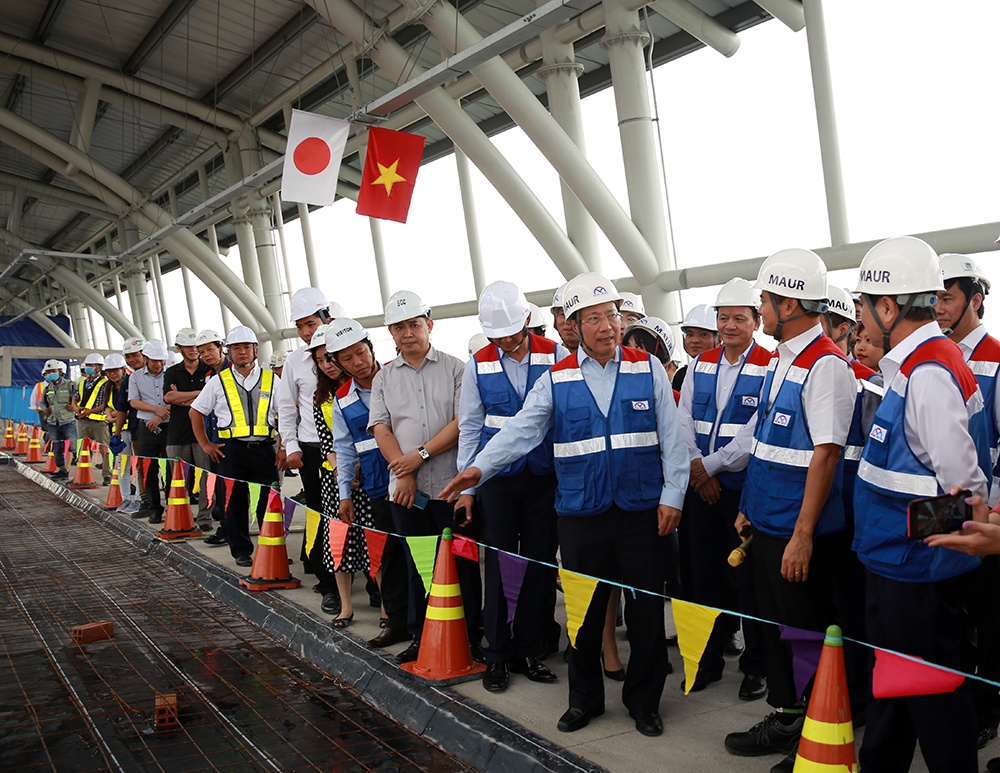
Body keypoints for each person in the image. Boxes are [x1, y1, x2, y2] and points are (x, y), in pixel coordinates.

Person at [441, 272, 688, 739]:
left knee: (645, 614)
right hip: (580, 513)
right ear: (573, 325)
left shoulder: (647, 368)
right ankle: (585, 702)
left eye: (612, 315)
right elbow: (521, 429)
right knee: (585, 613)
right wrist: (479, 468)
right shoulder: (557, 378)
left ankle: (644, 703)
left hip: (641, 511)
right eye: (594, 318)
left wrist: (672, 496)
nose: (607, 326)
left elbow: (672, 440)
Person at [853, 236, 989, 773]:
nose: (859, 318)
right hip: (895, 565)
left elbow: (966, 491)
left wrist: (911, 532)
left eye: (864, 306)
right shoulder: (914, 365)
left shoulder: (928, 374)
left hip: (915, 574)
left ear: (888, 307)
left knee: (935, 701)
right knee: (893, 692)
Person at [724, 249, 854, 773]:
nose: (759, 308)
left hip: (801, 534)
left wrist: (802, 536)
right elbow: (768, 445)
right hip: (769, 523)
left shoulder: (826, 365)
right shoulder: (784, 358)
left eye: (764, 301)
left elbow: (826, 455)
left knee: (805, 634)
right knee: (780, 629)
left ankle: (813, 737)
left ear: (790, 302)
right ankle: (786, 719)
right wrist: (749, 508)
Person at [458, 281, 564, 693]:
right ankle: (498, 654)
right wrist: (468, 486)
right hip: (497, 481)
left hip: (544, 477)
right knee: (500, 564)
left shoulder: (557, 355)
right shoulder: (478, 364)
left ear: (526, 320)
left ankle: (529, 649)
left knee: (539, 563)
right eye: (495, 334)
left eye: (511, 331)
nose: (504, 340)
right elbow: (469, 427)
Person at [368, 289, 482, 665]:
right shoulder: (383, 378)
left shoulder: (456, 369)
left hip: (451, 486)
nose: (408, 333)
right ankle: (422, 636)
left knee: (462, 565)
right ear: (390, 332)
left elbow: (462, 423)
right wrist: (404, 471)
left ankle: (472, 636)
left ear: (429, 325)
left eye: (414, 324)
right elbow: (380, 428)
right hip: (405, 492)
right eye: (399, 327)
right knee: (419, 566)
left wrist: (419, 457)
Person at [677, 278, 770, 702]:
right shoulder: (700, 364)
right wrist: (699, 470)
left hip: (740, 494)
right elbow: (683, 420)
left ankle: (756, 668)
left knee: (748, 583)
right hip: (701, 490)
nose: (730, 325)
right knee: (702, 579)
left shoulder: (769, 365)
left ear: (756, 321)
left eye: (739, 318)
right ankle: (706, 660)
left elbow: (755, 435)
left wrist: (708, 467)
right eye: (724, 318)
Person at [934, 252, 1000, 750]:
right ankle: (951, 707)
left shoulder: (996, 359)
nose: (937, 306)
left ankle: (984, 711)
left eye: (947, 297)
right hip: (938, 509)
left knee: (988, 619)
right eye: (932, 296)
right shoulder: (928, 357)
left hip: (986, 515)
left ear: (975, 301)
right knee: (946, 613)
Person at [327, 317, 410, 649]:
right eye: (346, 358)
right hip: (378, 486)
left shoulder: (399, 375)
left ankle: (434, 622)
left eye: (360, 353)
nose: (357, 363)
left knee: (422, 553)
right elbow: (344, 449)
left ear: (371, 347)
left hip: (415, 478)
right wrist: (344, 494)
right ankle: (399, 624)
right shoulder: (343, 398)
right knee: (388, 557)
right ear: (336, 363)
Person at [820, 284, 881, 723]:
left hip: (867, 527)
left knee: (860, 617)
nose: (860, 344)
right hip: (837, 520)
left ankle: (863, 700)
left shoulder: (873, 389)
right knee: (839, 613)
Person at [190, 326, 281, 568]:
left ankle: (271, 548)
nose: (242, 352)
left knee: (269, 501)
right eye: (237, 348)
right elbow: (196, 411)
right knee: (234, 502)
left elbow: (286, 413)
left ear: (255, 350)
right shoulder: (219, 382)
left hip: (264, 449)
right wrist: (205, 444)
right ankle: (241, 550)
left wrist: (284, 446)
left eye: (246, 347)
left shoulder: (272, 379)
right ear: (228, 352)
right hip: (231, 451)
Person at [276, 287, 344, 594]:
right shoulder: (295, 362)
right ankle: (327, 580)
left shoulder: (347, 351)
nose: (305, 332)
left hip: (347, 449)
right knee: (318, 511)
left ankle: (364, 577)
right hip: (312, 449)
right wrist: (291, 446)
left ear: (327, 318)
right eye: (300, 326)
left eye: (310, 324)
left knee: (351, 510)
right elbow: (286, 407)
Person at [309, 323, 372, 629]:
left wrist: (360, 467)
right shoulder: (319, 397)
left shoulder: (367, 385)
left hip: (371, 473)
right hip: (338, 481)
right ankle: (346, 606)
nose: (326, 365)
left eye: (329, 359)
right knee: (340, 544)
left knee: (375, 543)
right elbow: (327, 442)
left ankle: (387, 608)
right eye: (320, 361)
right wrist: (344, 473)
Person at [163, 327, 213, 531]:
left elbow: (212, 397)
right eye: (188, 347)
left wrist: (182, 397)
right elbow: (168, 398)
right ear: (179, 349)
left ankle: (205, 519)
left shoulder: (208, 370)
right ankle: (179, 517)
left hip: (203, 433)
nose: (193, 350)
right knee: (177, 479)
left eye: (195, 347)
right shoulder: (172, 372)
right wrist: (200, 394)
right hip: (177, 433)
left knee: (205, 478)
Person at [128, 340, 171, 524]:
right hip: (146, 427)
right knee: (149, 469)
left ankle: (174, 507)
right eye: (154, 361)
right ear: (145, 358)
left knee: (171, 469)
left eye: (161, 361)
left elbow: (176, 398)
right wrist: (156, 411)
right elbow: (134, 402)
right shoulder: (136, 377)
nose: (158, 365)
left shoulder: (171, 374)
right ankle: (155, 509)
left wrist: (160, 416)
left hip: (169, 426)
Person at [196, 329, 232, 545]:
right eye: (202, 352)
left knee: (231, 489)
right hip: (214, 437)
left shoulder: (233, 371)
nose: (206, 354)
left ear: (221, 348)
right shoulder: (209, 375)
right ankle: (226, 529)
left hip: (232, 438)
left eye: (210, 349)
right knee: (220, 486)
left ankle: (230, 530)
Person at [115, 337, 146, 513]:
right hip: (136, 429)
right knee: (141, 466)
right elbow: (122, 408)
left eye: (135, 355)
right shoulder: (128, 379)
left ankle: (148, 501)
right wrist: (118, 431)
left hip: (161, 429)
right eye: (128, 356)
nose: (132, 359)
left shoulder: (162, 375)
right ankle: (141, 500)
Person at [71, 352, 112, 484]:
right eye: (87, 365)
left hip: (99, 422)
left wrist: (89, 412)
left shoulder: (106, 383)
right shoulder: (82, 383)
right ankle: (83, 475)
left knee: (104, 449)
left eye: (91, 365)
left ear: (99, 367)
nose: (88, 368)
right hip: (83, 421)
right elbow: (75, 398)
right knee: (82, 449)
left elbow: (105, 403)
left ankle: (107, 475)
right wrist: (76, 407)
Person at [41, 359, 76, 480]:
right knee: (57, 447)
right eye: (48, 372)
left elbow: (77, 398)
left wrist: (74, 406)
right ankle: (61, 469)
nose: (51, 374)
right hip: (53, 421)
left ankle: (66, 469)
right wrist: (45, 409)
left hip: (68, 420)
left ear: (60, 372)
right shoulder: (47, 388)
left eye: (53, 371)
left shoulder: (71, 385)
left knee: (70, 446)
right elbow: (42, 402)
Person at [672, 304, 719, 391]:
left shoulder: (727, 373)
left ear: (719, 340)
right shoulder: (681, 376)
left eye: (703, 335)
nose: (695, 340)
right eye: (690, 334)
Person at [550, 282, 581, 352]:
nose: (567, 320)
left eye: (574, 315)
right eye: (563, 314)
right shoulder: (552, 356)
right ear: (555, 320)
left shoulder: (605, 356)